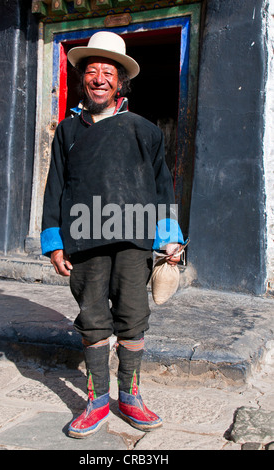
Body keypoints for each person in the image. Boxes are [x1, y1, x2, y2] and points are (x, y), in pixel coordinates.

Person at [40, 31, 186, 439]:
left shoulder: (144, 130)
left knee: (133, 319)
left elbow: (161, 188)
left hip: (134, 237)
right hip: (84, 235)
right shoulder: (68, 132)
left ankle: (130, 396)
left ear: (121, 82)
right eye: (92, 71)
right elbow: (55, 187)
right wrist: (54, 243)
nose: (100, 78)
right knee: (92, 319)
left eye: (109, 72)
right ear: (83, 80)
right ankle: (97, 399)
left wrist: (168, 238)